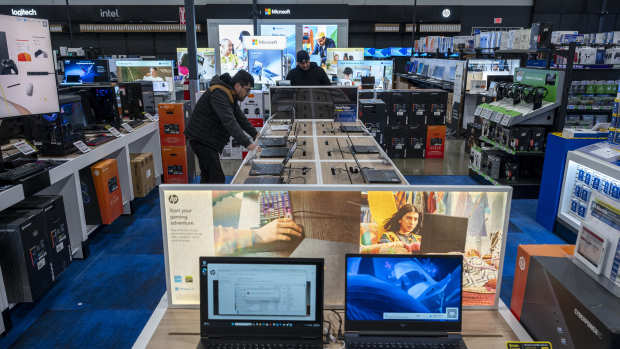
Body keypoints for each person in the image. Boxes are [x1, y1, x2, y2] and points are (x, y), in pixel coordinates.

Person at [185, 70, 259, 183]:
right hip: (202, 139)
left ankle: (205, 199)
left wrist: (255, 134)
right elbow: (229, 121)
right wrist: (248, 144)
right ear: (238, 85)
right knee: (216, 178)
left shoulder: (229, 93)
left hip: (206, 139)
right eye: (247, 90)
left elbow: (240, 118)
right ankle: (213, 200)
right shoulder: (219, 93)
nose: (248, 94)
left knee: (208, 176)